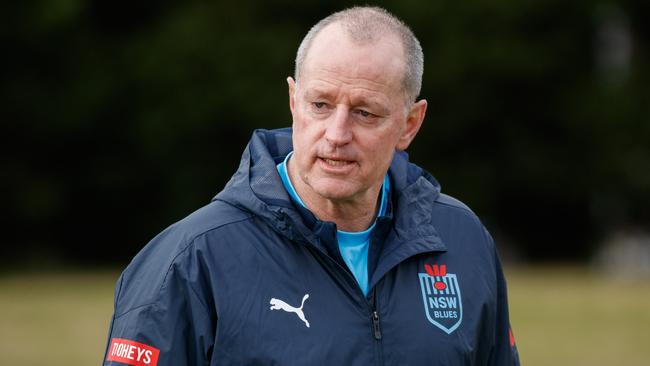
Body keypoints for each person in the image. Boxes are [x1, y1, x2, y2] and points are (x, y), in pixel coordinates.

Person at [103, 6, 520, 366]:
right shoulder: (190, 260)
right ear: (293, 100)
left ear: (410, 124)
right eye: (320, 105)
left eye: (365, 113)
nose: (337, 133)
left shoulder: (462, 241)